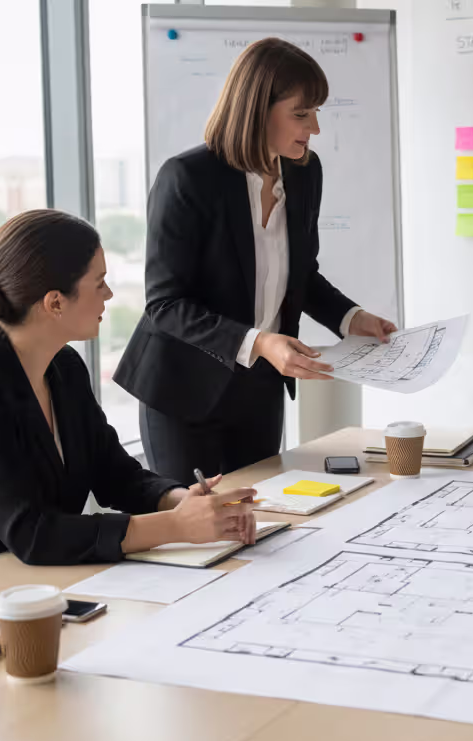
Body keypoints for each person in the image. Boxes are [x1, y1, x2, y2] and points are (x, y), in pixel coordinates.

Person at [0, 210, 262, 593]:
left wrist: (182, 502)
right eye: (100, 283)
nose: (109, 295)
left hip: (29, 588)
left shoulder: (63, 367)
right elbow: (33, 534)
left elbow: (115, 475)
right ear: (55, 303)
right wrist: (176, 527)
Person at [113, 37, 396, 482]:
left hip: (258, 388)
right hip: (182, 388)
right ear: (256, 110)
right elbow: (165, 305)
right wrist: (261, 341)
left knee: (262, 516)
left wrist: (351, 318)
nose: (315, 128)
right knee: (199, 529)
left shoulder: (305, 171)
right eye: (302, 114)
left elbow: (300, 273)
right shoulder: (187, 179)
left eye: (316, 112)